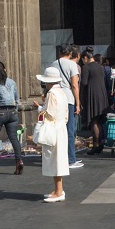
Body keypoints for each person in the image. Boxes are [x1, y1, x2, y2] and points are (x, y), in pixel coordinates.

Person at [35, 67, 69, 203]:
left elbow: (49, 113)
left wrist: (40, 109)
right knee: (58, 159)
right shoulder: (62, 92)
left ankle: (59, 191)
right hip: (61, 127)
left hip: (53, 127)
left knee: (55, 160)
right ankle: (57, 189)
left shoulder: (51, 94)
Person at [0, 60, 24, 174]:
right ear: (4, 70)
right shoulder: (12, 82)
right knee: (14, 138)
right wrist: (15, 110)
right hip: (12, 112)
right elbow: (17, 99)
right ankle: (19, 161)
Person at [51, 44, 83, 168]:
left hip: (56, 96)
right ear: (70, 53)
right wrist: (78, 103)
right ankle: (71, 158)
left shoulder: (53, 64)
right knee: (69, 129)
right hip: (68, 98)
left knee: (58, 128)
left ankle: (59, 158)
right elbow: (74, 85)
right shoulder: (72, 64)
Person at [80, 48, 109, 155]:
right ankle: (100, 143)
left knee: (94, 121)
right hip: (101, 95)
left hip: (92, 95)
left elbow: (84, 82)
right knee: (99, 120)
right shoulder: (100, 67)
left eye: (83, 59)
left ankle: (96, 145)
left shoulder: (86, 67)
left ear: (86, 58)